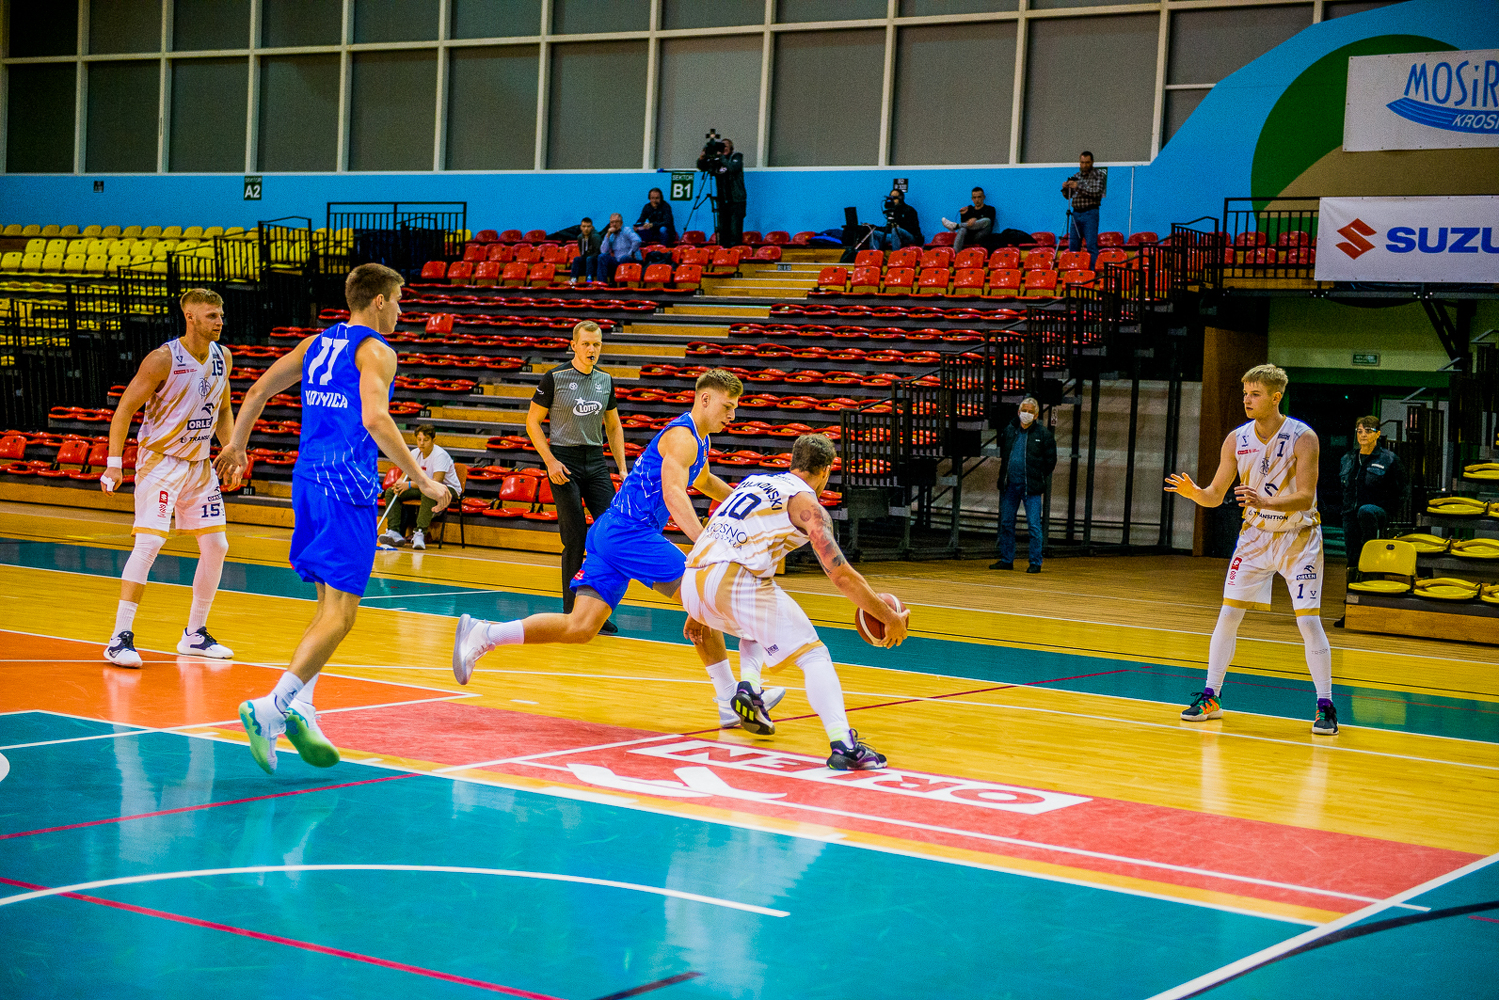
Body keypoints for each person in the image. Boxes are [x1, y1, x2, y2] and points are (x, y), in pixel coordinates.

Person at [452, 369, 786, 729]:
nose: (732, 415)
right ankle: (732, 696)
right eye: (728, 406)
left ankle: (485, 634)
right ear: (705, 399)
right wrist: (707, 546)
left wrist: (751, 503)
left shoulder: (699, 442)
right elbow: (675, 494)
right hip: (630, 532)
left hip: (612, 531)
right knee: (705, 594)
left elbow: (703, 480)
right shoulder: (682, 438)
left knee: (580, 627)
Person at [218, 263, 451, 774]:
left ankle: (302, 704)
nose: (401, 310)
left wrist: (237, 445)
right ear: (379, 302)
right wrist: (424, 479)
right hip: (346, 486)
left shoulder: (315, 344)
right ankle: (272, 708)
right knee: (343, 614)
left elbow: (256, 392)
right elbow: (375, 418)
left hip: (308, 480)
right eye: (398, 300)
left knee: (327, 607)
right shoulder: (377, 351)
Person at [681, 434, 909, 770]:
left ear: (793, 461)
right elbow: (841, 575)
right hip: (732, 580)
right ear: (826, 471)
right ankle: (844, 744)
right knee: (814, 654)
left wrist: (701, 607)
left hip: (692, 579)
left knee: (756, 624)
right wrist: (888, 616)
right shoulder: (808, 506)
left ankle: (750, 688)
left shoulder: (753, 481)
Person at [1165, 364, 1338, 736]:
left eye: (1255, 394)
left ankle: (1325, 705)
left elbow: (1305, 496)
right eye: (1245, 393)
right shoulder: (1236, 439)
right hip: (1255, 537)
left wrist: (1265, 500)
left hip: (1298, 537)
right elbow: (1215, 495)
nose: (1247, 399)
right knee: (1228, 615)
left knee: (1308, 622)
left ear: (1276, 397)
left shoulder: (1303, 437)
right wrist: (1195, 493)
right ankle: (1211, 696)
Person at [99, 288, 238, 667]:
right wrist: (114, 463)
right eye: (211, 316)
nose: (220, 321)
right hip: (160, 462)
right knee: (149, 545)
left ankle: (195, 634)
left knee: (217, 546)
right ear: (190, 317)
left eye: (221, 315)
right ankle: (119, 638)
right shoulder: (163, 359)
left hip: (199, 464)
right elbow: (124, 410)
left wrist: (231, 448)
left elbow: (224, 409)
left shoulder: (223, 357)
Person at [526, 320, 628, 633]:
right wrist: (550, 461)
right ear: (573, 345)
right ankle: (572, 612)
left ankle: (597, 611)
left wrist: (622, 468)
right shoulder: (554, 377)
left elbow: (613, 426)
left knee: (610, 535)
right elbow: (532, 422)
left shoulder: (605, 380)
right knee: (575, 538)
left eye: (596, 344)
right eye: (586, 344)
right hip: (563, 461)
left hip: (595, 461)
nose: (591, 349)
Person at [1336, 416, 1408, 619]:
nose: (1363, 435)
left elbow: (1402, 491)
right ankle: (1352, 603)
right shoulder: (1348, 458)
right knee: (1352, 558)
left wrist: (1390, 513)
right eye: (1359, 431)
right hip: (1350, 514)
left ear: (1378, 434)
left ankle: (1371, 597)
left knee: (1366, 512)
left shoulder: (1389, 459)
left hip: (1376, 512)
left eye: (1368, 431)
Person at [991, 398, 1057, 574]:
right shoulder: (1010, 430)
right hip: (1010, 485)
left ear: (1036, 415)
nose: (1026, 414)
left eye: (1030, 411)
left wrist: (1038, 477)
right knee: (1006, 523)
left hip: (1031, 487)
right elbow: (1004, 454)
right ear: (1019, 412)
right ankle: (1006, 559)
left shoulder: (1043, 434)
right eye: (1024, 410)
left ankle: (1035, 562)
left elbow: (1050, 461)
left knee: (1034, 526)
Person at [378, 423, 461, 551]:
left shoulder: (440, 455)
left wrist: (409, 485)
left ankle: (420, 533)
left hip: (447, 489)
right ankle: (394, 532)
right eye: (419, 439)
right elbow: (404, 476)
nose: (421, 443)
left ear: (433, 439)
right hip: (424, 487)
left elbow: (436, 483)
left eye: (426, 440)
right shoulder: (415, 453)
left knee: (428, 492)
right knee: (391, 492)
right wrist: (399, 484)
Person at [698, 138, 746, 247]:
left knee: (735, 230)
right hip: (723, 201)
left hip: (736, 200)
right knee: (723, 230)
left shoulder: (736, 157)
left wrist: (721, 157)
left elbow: (733, 168)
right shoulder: (717, 161)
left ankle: (734, 251)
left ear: (731, 148)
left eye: (726, 146)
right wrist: (703, 157)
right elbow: (703, 167)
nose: (723, 148)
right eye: (721, 146)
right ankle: (724, 251)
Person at [1061, 151, 1106, 261]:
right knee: (1073, 245)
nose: (1084, 165)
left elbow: (1096, 192)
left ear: (1092, 162)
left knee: (1091, 244)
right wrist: (1065, 189)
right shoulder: (1076, 176)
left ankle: (1092, 269)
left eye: (1087, 162)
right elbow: (1068, 197)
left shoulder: (1098, 175)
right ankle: (1074, 267)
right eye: (1082, 162)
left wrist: (1078, 186)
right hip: (1076, 213)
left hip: (1090, 213)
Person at [941, 187, 996, 253]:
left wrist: (975, 220)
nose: (977, 200)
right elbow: (965, 224)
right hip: (969, 236)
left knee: (987, 220)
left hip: (981, 235)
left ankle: (955, 226)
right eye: (974, 198)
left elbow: (989, 224)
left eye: (979, 197)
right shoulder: (969, 210)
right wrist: (963, 215)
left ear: (983, 197)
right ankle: (955, 255)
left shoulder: (990, 209)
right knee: (962, 229)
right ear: (972, 199)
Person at [598, 213, 642, 286]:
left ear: (621, 223)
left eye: (617, 222)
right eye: (612, 222)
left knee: (624, 258)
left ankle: (622, 287)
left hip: (631, 260)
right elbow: (603, 251)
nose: (614, 224)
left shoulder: (626, 230)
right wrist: (607, 235)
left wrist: (631, 253)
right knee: (602, 257)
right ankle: (602, 285)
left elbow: (637, 241)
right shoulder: (611, 235)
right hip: (618, 262)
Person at [567, 216, 603, 285]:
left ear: (592, 227)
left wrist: (588, 259)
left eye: (588, 226)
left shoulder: (596, 237)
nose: (586, 229)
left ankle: (589, 281)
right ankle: (573, 280)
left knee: (589, 259)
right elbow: (582, 253)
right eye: (584, 226)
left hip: (595, 261)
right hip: (587, 260)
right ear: (581, 227)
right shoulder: (580, 237)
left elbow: (598, 253)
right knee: (577, 259)